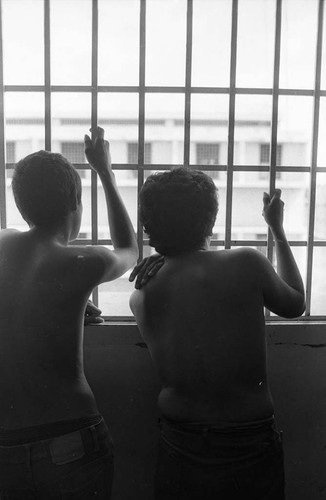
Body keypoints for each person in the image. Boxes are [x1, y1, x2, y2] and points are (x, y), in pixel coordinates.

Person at [129, 167, 305, 499]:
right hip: (247, 438)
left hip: (180, 439)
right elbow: (295, 304)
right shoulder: (245, 263)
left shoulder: (142, 292)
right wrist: (277, 231)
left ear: (148, 224)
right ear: (210, 220)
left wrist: (159, 254)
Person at [0, 126, 138, 499]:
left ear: (21, 205)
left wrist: (66, 300)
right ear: (75, 201)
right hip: (70, 435)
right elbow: (129, 249)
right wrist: (105, 172)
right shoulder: (83, 261)